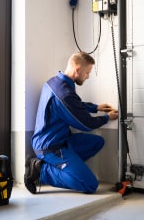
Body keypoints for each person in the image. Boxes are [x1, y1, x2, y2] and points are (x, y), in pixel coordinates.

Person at [25, 52, 118, 194]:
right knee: (90, 185)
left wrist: (95, 107)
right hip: (50, 147)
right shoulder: (63, 93)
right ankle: (41, 171)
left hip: (62, 140)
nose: (88, 76)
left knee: (97, 142)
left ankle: (67, 168)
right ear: (78, 70)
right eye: (87, 72)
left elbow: (74, 105)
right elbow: (86, 124)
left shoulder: (54, 82)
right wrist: (106, 118)